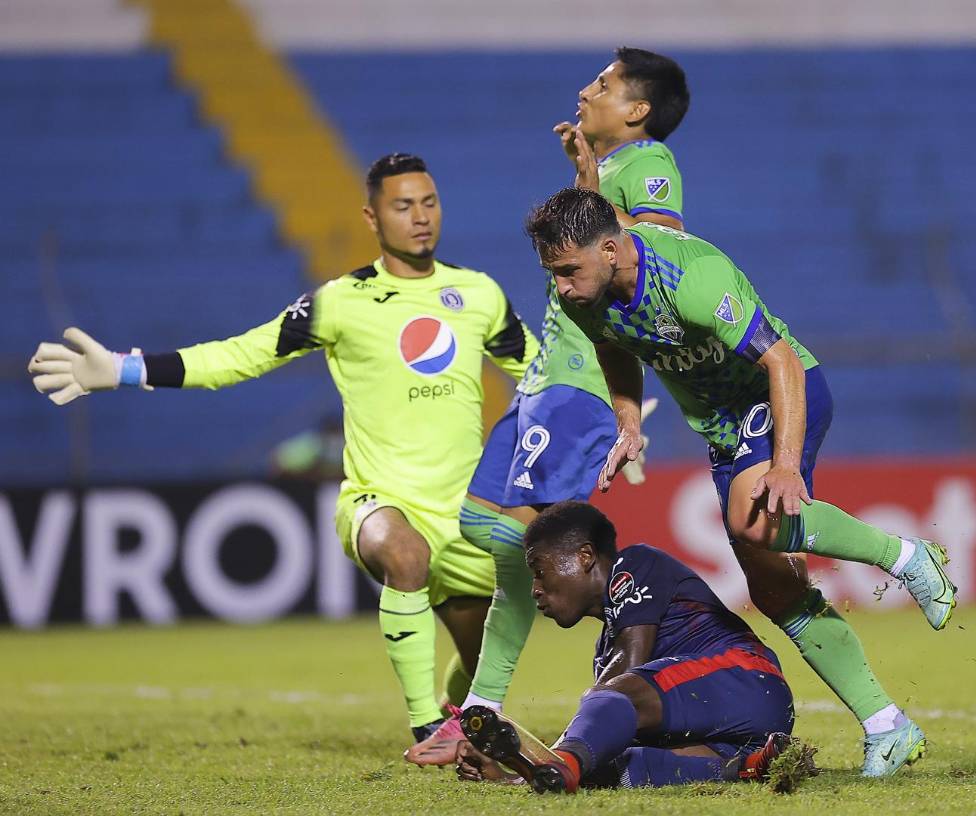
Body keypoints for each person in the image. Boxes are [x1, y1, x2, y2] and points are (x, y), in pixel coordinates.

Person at [26, 153, 539, 758]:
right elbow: (241, 355)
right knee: (405, 556)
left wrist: (610, 417)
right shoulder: (340, 301)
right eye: (404, 206)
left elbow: (540, 373)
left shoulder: (477, 294)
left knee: (483, 659)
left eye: (429, 203)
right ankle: (426, 727)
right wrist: (124, 368)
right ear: (372, 217)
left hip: (463, 511)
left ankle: (463, 716)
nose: (421, 217)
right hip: (381, 500)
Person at [524, 187, 960, 776]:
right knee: (775, 590)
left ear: (609, 248)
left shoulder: (693, 280)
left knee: (750, 516)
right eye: (554, 273)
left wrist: (784, 463)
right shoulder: (584, 293)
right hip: (723, 427)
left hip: (777, 392)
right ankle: (887, 726)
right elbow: (614, 349)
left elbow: (779, 361)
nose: (562, 287)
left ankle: (908, 555)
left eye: (569, 270)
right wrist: (628, 421)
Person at [410, 48, 692, 764]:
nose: (585, 90)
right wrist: (585, 178)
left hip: (579, 382)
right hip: (545, 377)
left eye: (603, 84)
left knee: (513, 540)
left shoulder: (651, 162)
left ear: (637, 110)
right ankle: (478, 706)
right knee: (499, 548)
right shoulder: (604, 171)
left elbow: (655, 249)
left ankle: (610, 588)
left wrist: (593, 182)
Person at [455, 501, 797, 792]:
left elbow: (627, 677)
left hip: (748, 682)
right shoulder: (606, 653)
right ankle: (746, 768)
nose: (535, 589)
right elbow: (609, 728)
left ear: (585, 555)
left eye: (540, 570)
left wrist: (556, 750)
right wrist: (514, 776)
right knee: (614, 764)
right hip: (733, 734)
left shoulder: (632, 566)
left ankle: (560, 761)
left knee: (608, 703)